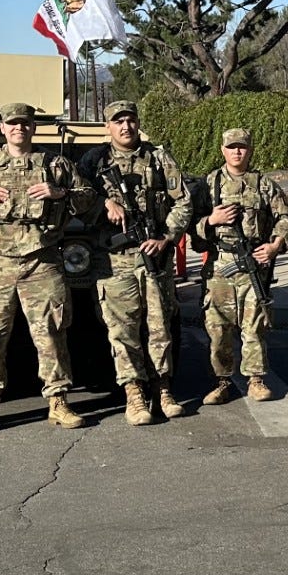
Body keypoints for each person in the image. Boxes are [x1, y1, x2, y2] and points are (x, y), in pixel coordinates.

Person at [0, 102, 96, 436]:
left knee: (51, 334)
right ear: (2, 128)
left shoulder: (55, 164)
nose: (19, 128)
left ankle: (58, 402)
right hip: (0, 264)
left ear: (33, 127)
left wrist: (59, 192)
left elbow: (88, 197)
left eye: (25, 123)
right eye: (12, 123)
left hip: (43, 260)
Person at [78, 100, 193, 425]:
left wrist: (167, 236)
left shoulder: (157, 157)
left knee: (160, 326)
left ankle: (164, 389)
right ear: (107, 127)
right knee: (123, 330)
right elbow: (75, 196)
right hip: (113, 261)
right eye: (118, 121)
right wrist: (103, 203)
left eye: (130, 120)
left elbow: (183, 201)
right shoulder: (93, 161)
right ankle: (134, 395)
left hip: (153, 255)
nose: (125, 126)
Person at [190, 127, 288, 405]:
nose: (237, 152)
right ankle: (222, 381)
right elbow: (190, 226)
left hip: (253, 266)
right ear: (223, 150)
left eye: (242, 147)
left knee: (254, 326)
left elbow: (286, 217)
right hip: (220, 265)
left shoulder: (263, 184)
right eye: (232, 147)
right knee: (218, 328)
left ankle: (256, 380)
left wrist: (275, 246)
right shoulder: (209, 184)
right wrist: (210, 221)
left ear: (250, 150)